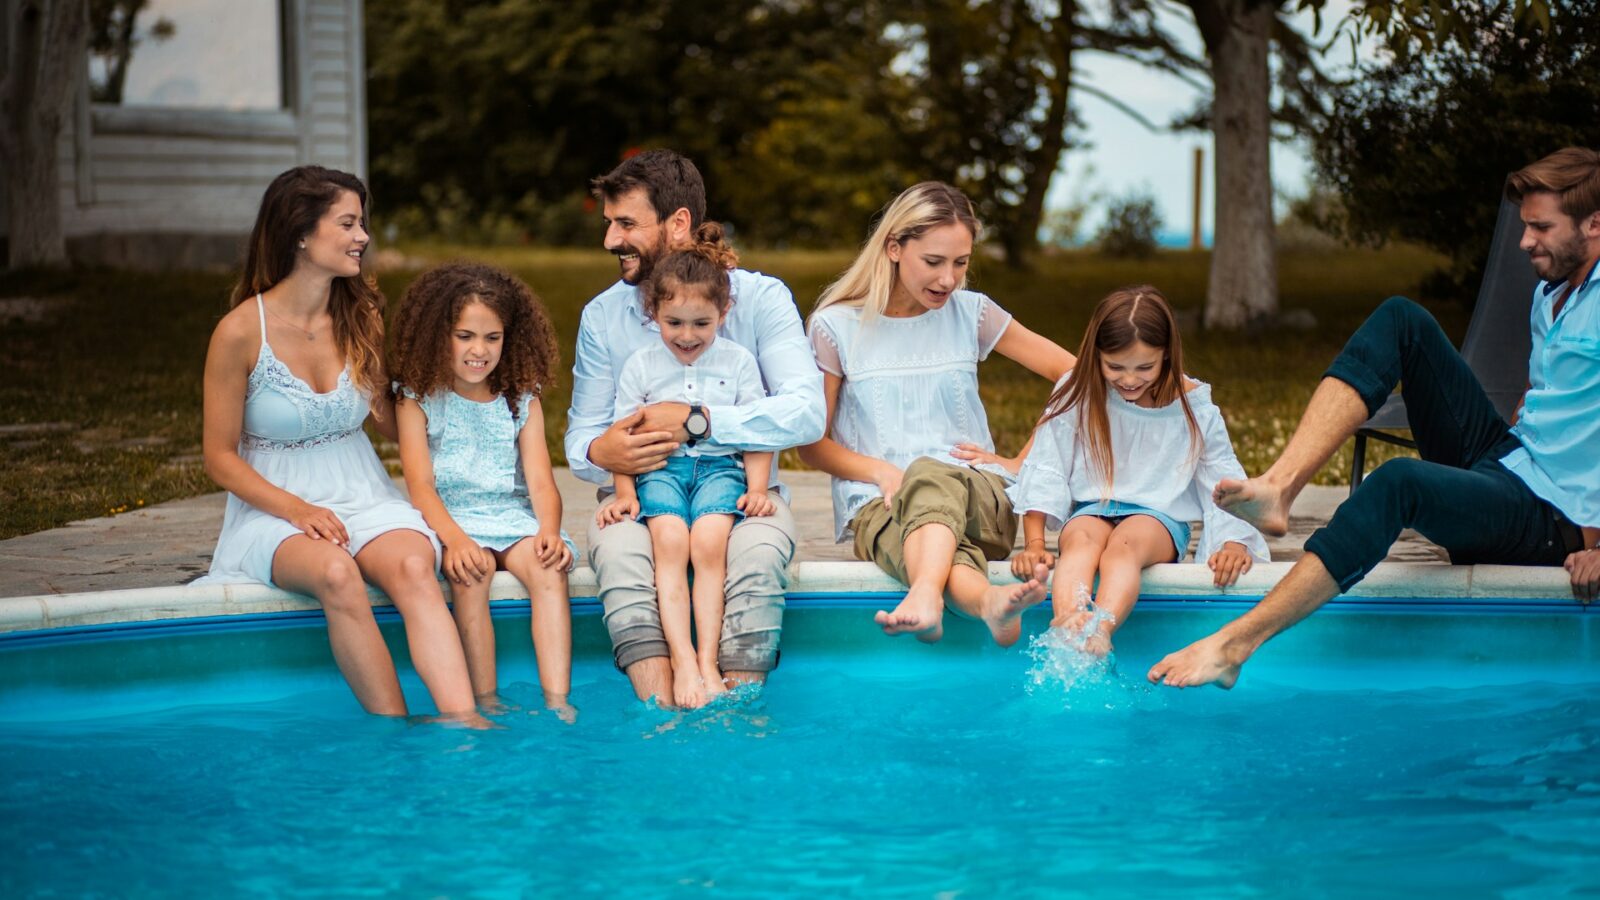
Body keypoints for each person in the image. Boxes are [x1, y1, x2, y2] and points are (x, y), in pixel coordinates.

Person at [1150, 146, 1600, 690]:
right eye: (1525, 226)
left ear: (1594, 223)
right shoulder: (1553, 289)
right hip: (1515, 460)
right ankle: (1279, 489)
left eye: (1541, 227)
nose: (1525, 241)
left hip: (1550, 518)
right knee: (1402, 319)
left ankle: (1235, 643)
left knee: (1398, 482)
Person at [198, 166, 482, 724]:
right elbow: (218, 457)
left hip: (361, 490)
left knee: (414, 566)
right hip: (275, 508)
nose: (363, 237)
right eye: (348, 224)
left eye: (362, 223)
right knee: (335, 573)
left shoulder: (359, 316)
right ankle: (395, 732)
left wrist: (474, 428)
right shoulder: (238, 332)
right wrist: (299, 512)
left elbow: (383, 419)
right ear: (301, 233)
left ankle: (464, 727)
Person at [565, 150, 825, 704]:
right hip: (637, 494)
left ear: (677, 224)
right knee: (620, 558)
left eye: (626, 224)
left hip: (742, 492)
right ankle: (663, 715)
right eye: (610, 224)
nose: (611, 239)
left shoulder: (760, 299)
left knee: (754, 561)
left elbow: (806, 412)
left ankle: (730, 723)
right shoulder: (603, 317)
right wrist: (605, 450)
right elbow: (581, 440)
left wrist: (697, 424)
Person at [798, 181, 1075, 646]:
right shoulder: (835, 327)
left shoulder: (972, 314)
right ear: (893, 248)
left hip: (979, 498)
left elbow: (1075, 376)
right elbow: (811, 444)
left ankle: (925, 595)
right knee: (928, 539)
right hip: (880, 506)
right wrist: (882, 472)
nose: (948, 279)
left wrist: (1020, 463)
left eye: (960, 263)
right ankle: (988, 603)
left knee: (929, 474)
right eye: (934, 262)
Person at [1009, 285, 1269, 654]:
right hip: (1093, 508)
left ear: (1167, 355)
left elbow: (1224, 478)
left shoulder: (1193, 408)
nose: (1129, 380)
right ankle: (1067, 624)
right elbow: (1047, 463)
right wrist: (1034, 544)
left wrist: (1233, 540)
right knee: (1080, 544)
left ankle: (1100, 630)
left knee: (1123, 548)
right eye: (1114, 367)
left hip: (1156, 518)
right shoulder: (1078, 391)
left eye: (1144, 367)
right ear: (1096, 355)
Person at [390, 262, 577, 720]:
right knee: (469, 576)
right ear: (439, 335)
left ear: (509, 339)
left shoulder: (519, 398)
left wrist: (548, 529)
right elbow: (420, 486)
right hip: (450, 518)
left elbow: (539, 480)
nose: (480, 350)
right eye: (465, 336)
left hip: (510, 517)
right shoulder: (417, 397)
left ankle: (558, 700)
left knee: (549, 570)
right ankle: (484, 699)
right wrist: (454, 540)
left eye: (492, 338)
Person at [598, 225, 773, 708]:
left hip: (720, 472)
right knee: (671, 543)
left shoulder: (738, 363)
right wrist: (625, 493)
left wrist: (757, 488)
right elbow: (623, 436)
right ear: (654, 313)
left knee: (710, 543)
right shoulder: (641, 365)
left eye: (701, 323)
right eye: (675, 323)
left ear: (724, 312)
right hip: (661, 470)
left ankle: (709, 660)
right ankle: (681, 659)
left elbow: (757, 431)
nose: (688, 336)